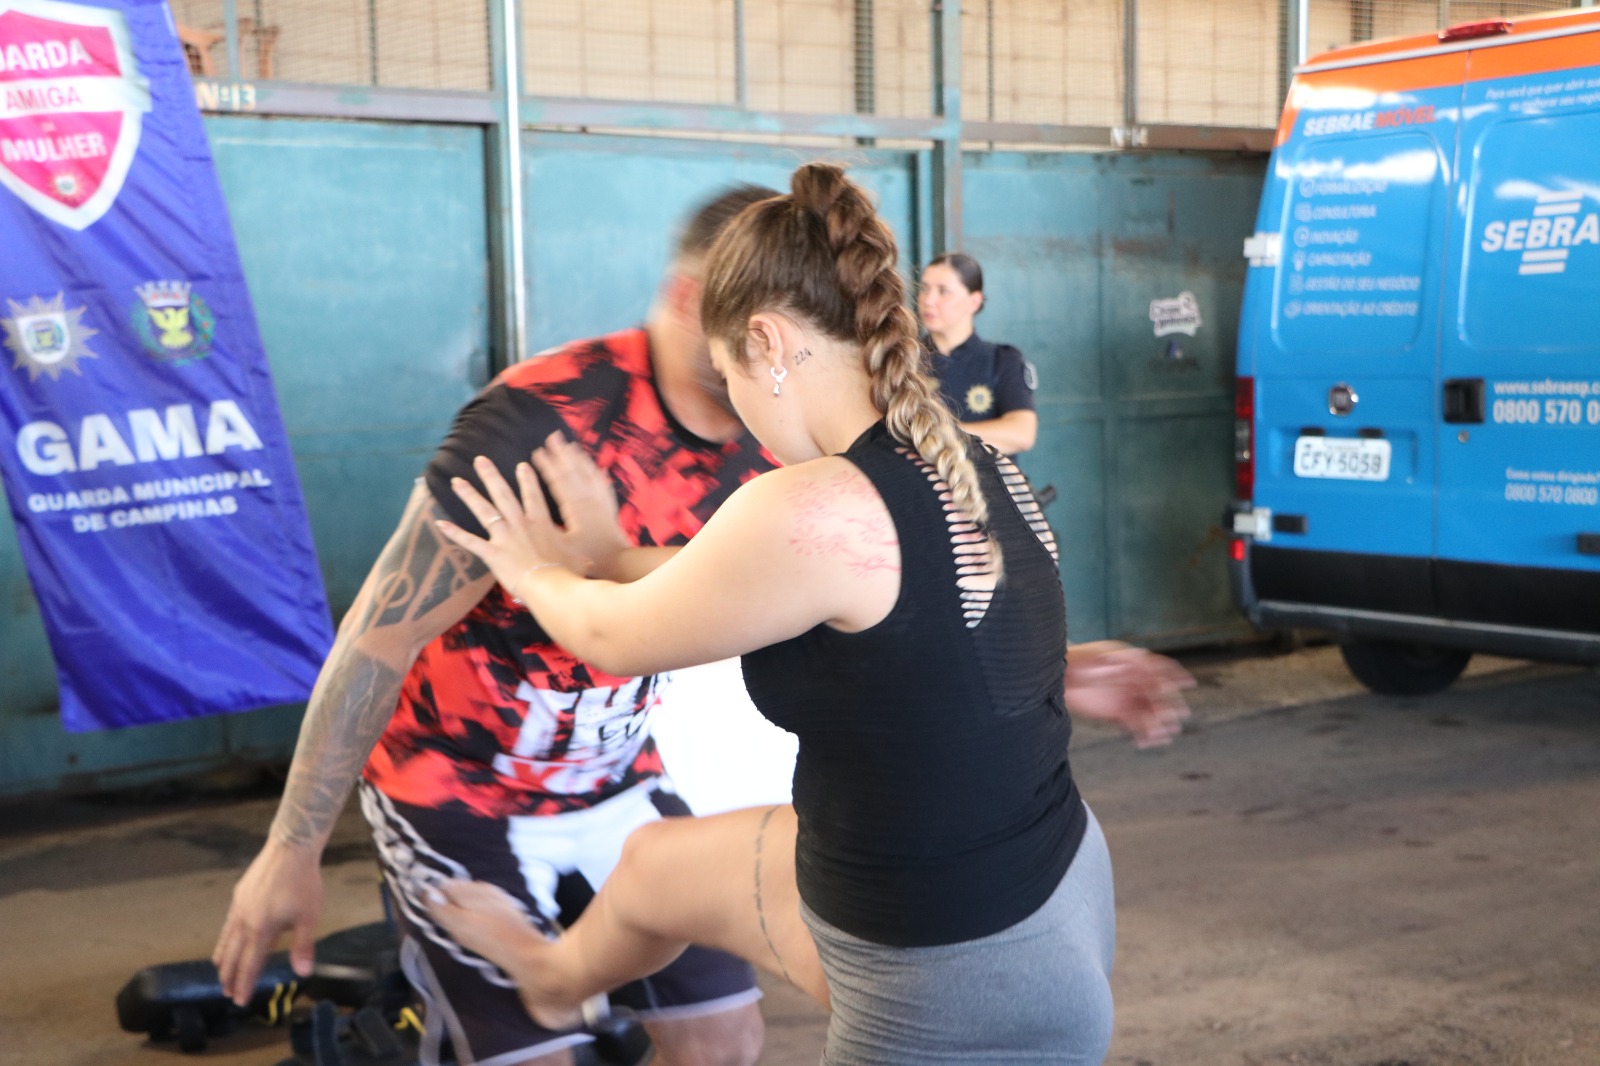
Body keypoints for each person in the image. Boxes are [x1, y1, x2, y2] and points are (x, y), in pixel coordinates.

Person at [423, 163, 1193, 1064]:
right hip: (1044, 884)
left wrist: (530, 566)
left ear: (768, 341)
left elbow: (607, 637)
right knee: (650, 873)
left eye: (727, 373)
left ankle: (552, 984)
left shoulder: (812, 504)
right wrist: (605, 555)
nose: (738, 411)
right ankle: (554, 981)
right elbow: (835, 602)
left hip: (956, 976)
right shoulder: (971, 466)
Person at [212, 184, 783, 1066]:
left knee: (722, 1037)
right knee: (535, 1055)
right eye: (761, 335)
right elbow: (380, 635)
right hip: (457, 792)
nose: (779, 360)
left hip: (617, 777)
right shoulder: (546, 422)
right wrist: (293, 846)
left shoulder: (778, 429)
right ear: (689, 298)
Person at [918, 252, 1038, 455]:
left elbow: (1022, 434)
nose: (928, 300)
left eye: (943, 291)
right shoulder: (905, 359)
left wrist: (943, 433)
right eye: (924, 289)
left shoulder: (1002, 360)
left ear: (974, 301)